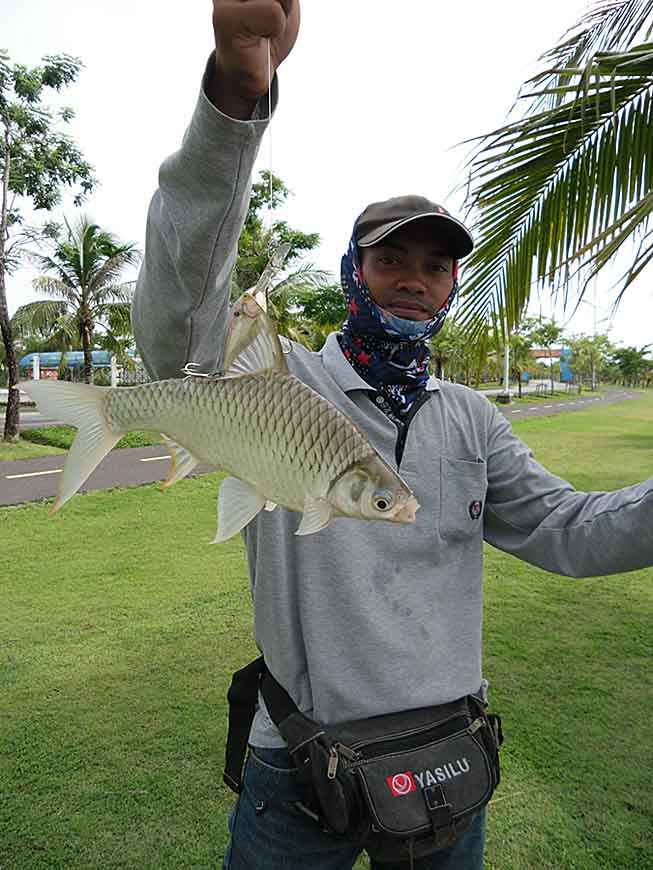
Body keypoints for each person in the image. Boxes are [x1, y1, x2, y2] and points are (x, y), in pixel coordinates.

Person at [132, 2, 653, 868]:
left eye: (435, 266)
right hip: (298, 762)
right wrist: (232, 103)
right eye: (390, 261)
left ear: (451, 285)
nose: (414, 281)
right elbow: (180, 308)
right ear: (353, 272)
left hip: (445, 757)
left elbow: (569, 532)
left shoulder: (471, 419)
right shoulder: (274, 386)